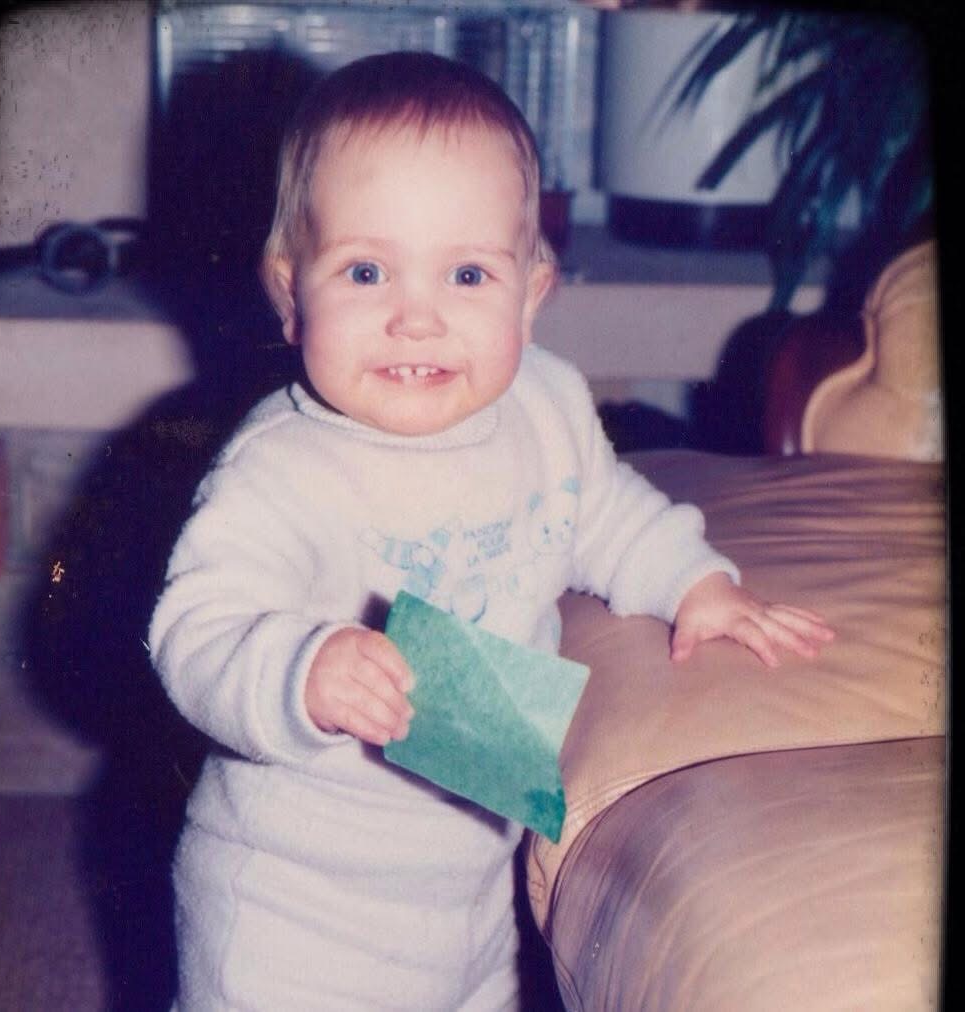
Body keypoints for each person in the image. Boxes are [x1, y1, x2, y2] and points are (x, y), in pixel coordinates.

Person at [148, 51, 834, 1011]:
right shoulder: (282, 471)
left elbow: (605, 511)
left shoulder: (545, 407)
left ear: (532, 295)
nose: (416, 318)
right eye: (366, 271)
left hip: (468, 895)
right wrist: (299, 669)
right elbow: (196, 629)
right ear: (290, 293)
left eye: (467, 274)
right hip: (291, 913)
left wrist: (693, 580)